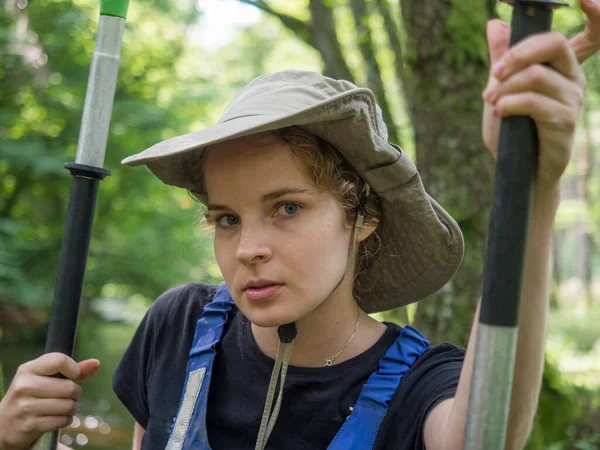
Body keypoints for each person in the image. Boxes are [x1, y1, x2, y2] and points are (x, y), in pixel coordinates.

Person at [1, 5, 599, 449]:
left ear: (362, 217)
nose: (249, 250)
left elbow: (483, 436)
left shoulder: (422, 387)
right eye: (226, 218)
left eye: (287, 207)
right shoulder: (177, 328)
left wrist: (536, 188)